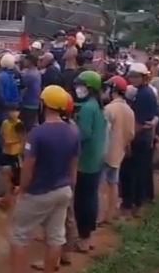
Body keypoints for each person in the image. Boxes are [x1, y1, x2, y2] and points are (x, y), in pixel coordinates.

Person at [9, 85, 78, 273]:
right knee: (55, 237)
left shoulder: (37, 133)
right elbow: (73, 167)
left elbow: (28, 167)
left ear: (44, 104)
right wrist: (70, 188)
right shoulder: (72, 131)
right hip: (63, 190)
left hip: (38, 192)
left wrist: (21, 189)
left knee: (19, 236)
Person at [73, 71, 107, 253]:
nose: (78, 89)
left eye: (81, 86)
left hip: (85, 162)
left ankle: (84, 238)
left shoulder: (87, 109)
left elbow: (83, 134)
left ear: (90, 88)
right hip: (96, 159)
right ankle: (88, 236)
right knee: (90, 198)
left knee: (82, 201)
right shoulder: (96, 106)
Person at [120, 63, 158, 217]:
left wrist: (128, 140)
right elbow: (155, 116)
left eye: (136, 76)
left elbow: (138, 123)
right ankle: (137, 202)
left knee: (132, 173)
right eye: (131, 76)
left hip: (139, 138)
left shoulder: (143, 95)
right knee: (140, 172)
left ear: (144, 77)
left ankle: (132, 205)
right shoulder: (145, 92)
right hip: (144, 138)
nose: (132, 79)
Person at [102, 75, 135, 225]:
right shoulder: (129, 110)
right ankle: (110, 214)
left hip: (105, 152)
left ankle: (99, 216)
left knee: (99, 187)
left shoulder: (109, 109)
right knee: (113, 183)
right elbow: (131, 134)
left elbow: (103, 133)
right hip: (119, 152)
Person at [0, 53, 21, 165]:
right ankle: (8, 162)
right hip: (9, 112)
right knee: (7, 138)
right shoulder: (12, 78)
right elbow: (17, 95)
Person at [0, 106, 26, 208]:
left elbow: (23, 138)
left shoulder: (19, 124)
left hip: (16, 153)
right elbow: (2, 135)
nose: (13, 113)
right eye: (11, 110)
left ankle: (16, 199)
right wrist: (4, 143)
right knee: (6, 175)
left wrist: (20, 149)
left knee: (16, 176)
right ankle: (7, 198)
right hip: (6, 152)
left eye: (16, 111)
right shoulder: (5, 123)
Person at [20, 53, 42, 132]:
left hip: (28, 104)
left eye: (25, 60)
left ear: (30, 61)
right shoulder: (37, 72)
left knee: (26, 128)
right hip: (35, 103)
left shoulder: (29, 75)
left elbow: (22, 88)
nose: (24, 62)